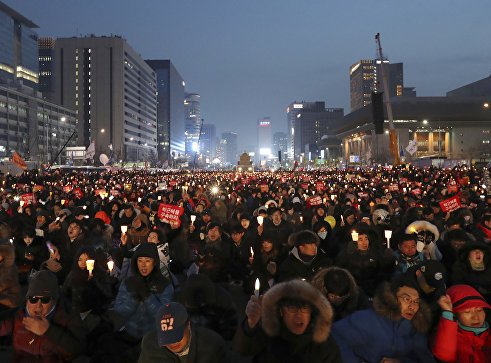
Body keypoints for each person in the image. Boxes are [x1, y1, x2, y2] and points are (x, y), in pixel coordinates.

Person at [233, 279, 342, 363]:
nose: (299, 315)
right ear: (281, 311)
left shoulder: (324, 345)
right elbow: (242, 350)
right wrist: (250, 325)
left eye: (304, 309)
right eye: (292, 308)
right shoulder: (269, 332)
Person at [332, 276, 434, 362]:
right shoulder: (366, 319)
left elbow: (424, 358)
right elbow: (334, 337)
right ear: (392, 297)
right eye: (407, 299)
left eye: (416, 301)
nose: (413, 306)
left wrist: (400, 361)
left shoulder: (416, 327)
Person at [0, 270, 86, 362]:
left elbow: (77, 350)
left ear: (54, 301)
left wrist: (49, 331)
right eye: (33, 299)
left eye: (45, 299)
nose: (38, 305)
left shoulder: (68, 316)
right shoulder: (18, 315)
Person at [139, 301, 229, 362]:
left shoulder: (212, 345)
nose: (173, 343)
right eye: (167, 337)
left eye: (177, 336)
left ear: (188, 325)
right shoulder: (150, 345)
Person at [432, 284, 491, 363]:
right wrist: (448, 313)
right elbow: (444, 356)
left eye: (479, 310)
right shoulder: (445, 337)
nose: (476, 317)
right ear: (455, 314)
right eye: (467, 312)